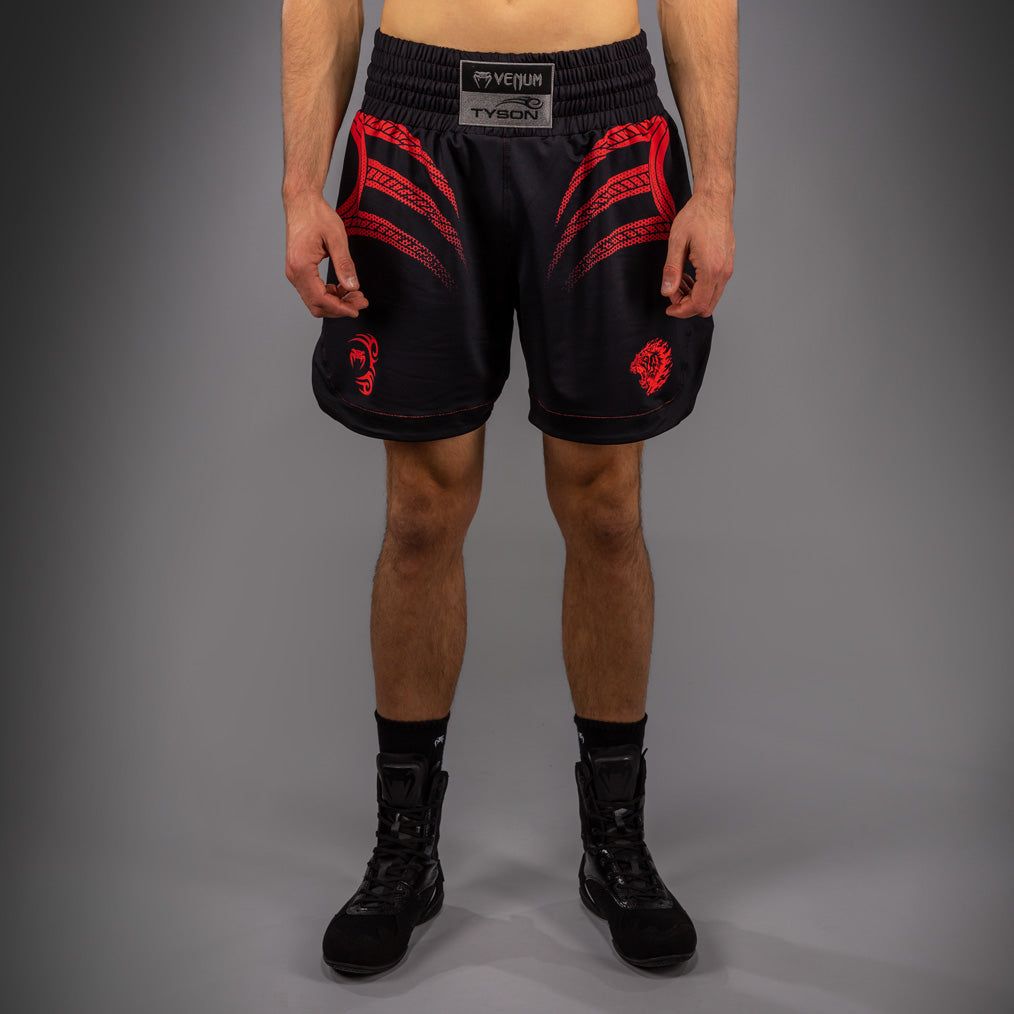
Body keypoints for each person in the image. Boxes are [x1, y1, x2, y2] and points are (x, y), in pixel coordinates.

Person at [281, 0, 737, 975]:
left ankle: (616, 845)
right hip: (417, 123)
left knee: (605, 506)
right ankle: (403, 853)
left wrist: (718, 188)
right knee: (421, 511)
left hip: (603, 122)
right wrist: (298, 187)